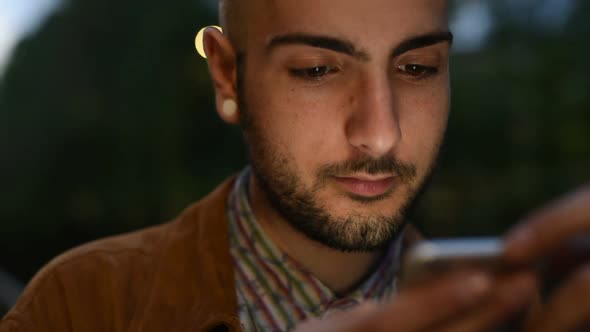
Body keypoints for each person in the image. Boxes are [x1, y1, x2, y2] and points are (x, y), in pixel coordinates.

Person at [1, 0, 589, 331]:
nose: (380, 132)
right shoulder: (82, 307)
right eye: (316, 70)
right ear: (229, 77)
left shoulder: (521, 318)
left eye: (417, 69)